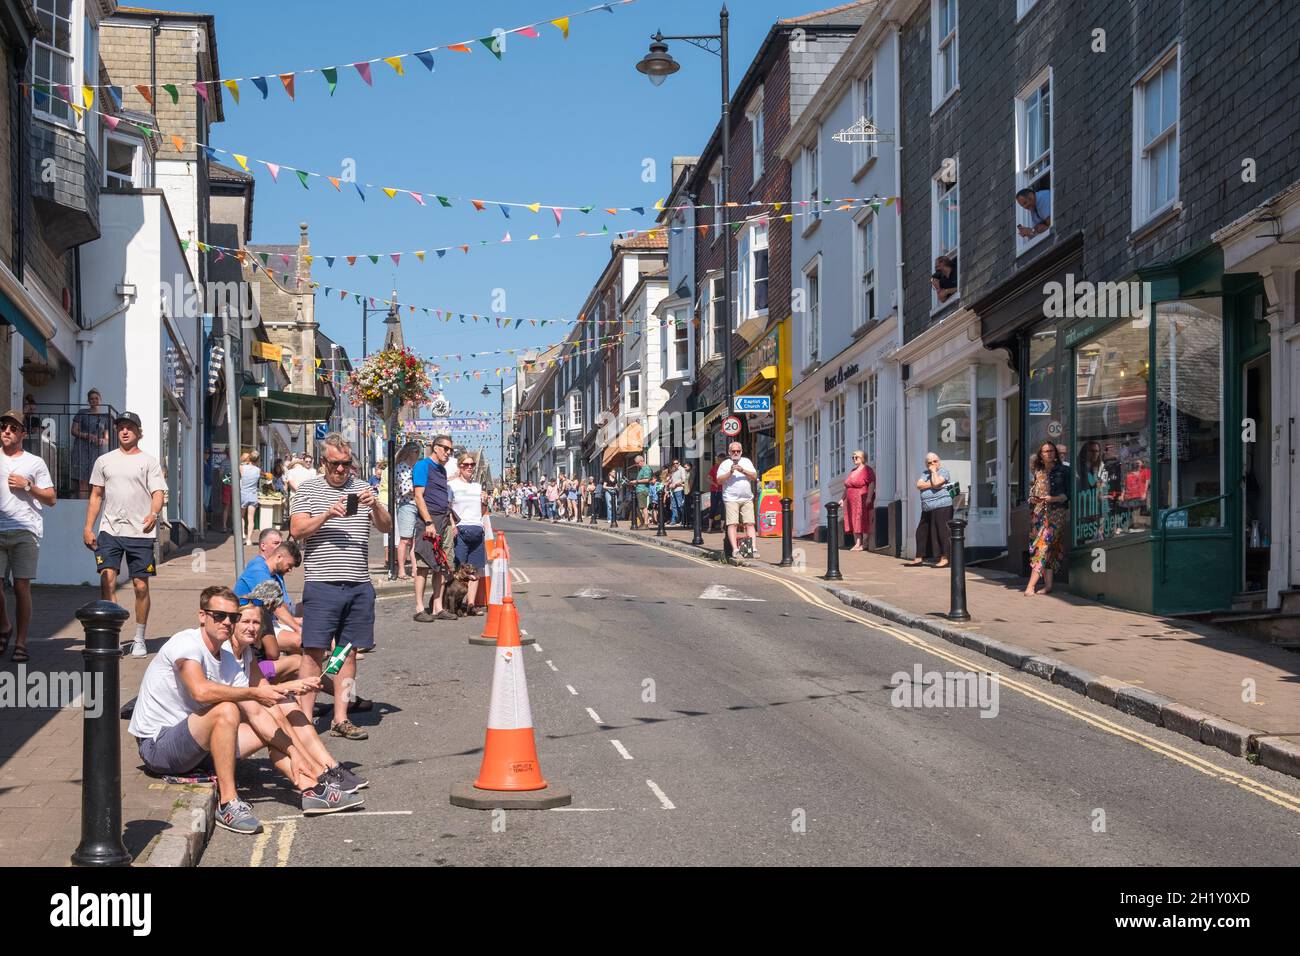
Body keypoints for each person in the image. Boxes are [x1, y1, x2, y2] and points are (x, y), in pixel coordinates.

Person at [127, 586, 363, 834]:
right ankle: (228, 804)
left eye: (232, 617)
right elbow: (201, 692)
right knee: (227, 709)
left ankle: (310, 787)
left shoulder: (228, 658)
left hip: (196, 746)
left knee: (269, 721)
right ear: (202, 615)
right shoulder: (186, 644)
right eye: (219, 615)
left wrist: (296, 755)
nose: (227, 622)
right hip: (159, 746)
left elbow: (258, 711)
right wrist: (256, 692)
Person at [289, 432, 392, 740]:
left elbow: (386, 526)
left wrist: (375, 505)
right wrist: (327, 513)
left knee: (347, 653)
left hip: (359, 583)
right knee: (313, 653)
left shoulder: (362, 489)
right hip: (322, 584)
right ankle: (304, 720)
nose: (341, 470)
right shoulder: (308, 490)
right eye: (335, 464)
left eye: (346, 464)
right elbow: (296, 530)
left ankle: (340, 718)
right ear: (324, 462)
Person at [83, 411, 166, 658]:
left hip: (140, 532)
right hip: (110, 530)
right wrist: (88, 527)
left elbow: (158, 493)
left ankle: (139, 638)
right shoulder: (104, 460)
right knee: (107, 578)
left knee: (140, 586)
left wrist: (153, 514)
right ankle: (113, 636)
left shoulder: (149, 461)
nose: (125, 431)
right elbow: (96, 495)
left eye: (130, 427)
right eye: (121, 427)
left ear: (139, 432)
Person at [0, 409, 55, 664]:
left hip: (25, 529)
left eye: (12, 428)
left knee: (22, 587)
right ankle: (5, 625)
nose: (6, 431)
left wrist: (28, 486)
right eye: (3, 427)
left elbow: (51, 499)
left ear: (22, 433)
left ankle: (20, 642)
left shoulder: (34, 463)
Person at [411, 435, 458, 623]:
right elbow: (418, 496)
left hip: (444, 519)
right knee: (423, 566)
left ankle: (438, 607)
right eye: (445, 448)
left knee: (441, 566)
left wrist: (451, 522)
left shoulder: (442, 470)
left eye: (450, 450)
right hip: (428, 521)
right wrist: (428, 522)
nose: (448, 453)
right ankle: (420, 608)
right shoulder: (423, 466)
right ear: (435, 447)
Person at [235, 536, 303, 648]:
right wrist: (298, 628)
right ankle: (267, 664)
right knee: (300, 640)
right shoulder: (258, 571)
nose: (290, 570)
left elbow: (281, 606)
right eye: (289, 565)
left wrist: (295, 622)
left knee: (305, 650)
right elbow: (278, 608)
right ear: (279, 557)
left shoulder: (272, 574)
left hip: (264, 621)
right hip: (245, 624)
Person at [1025, 442, 1069, 596]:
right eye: (1046, 451)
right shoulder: (1038, 472)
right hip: (1039, 515)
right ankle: (1048, 585)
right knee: (1049, 549)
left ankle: (1030, 585)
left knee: (1043, 547)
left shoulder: (1063, 471)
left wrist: (1052, 498)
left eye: (1052, 451)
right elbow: (1033, 494)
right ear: (1041, 455)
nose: (1049, 453)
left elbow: (1067, 495)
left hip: (1056, 514)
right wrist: (1034, 499)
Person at [449, 452, 487, 614]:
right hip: (461, 530)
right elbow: (448, 507)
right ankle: (455, 605)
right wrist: (452, 525)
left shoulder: (477, 486)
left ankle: (471, 605)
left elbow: (483, 510)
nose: (469, 467)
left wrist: (485, 502)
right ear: (460, 467)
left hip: (477, 530)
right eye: (466, 465)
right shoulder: (452, 485)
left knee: (475, 570)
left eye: (472, 465)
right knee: (458, 569)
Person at [904, 453, 953, 568]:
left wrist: (934, 472)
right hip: (927, 507)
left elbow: (936, 482)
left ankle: (945, 558)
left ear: (939, 461)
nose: (932, 464)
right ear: (926, 464)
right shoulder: (924, 473)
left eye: (934, 461)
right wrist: (933, 485)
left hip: (942, 506)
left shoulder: (943, 472)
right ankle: (919, 558)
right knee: (921, 532)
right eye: (929, 463)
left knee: (942, 532)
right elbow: (919, 485)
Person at [716, 442, 758, 563]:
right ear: (729, 452)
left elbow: (754, 476)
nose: (735, 453)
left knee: (749, 523)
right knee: (732, 524)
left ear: (741, 451)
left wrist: (743, 470)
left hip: (746, 498)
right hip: (731, 499)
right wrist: (730, 472)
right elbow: (718, 480)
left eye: (738, 451)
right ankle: (735, 550)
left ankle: (752, 549)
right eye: (733, 451)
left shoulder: (746, 462)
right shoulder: (725, 464)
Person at [71, 388, 111, 497]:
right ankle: (81, 506)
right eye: (91, 399)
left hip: (97, 450)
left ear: (100, 400)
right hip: (82, 448)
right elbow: (74, 430)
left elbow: (107, 437)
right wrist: (87, 435)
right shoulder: (82, 413)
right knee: (83, 479)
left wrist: (102, 440)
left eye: (96, 398)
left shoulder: (104, 417)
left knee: (95, 480)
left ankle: (93, 504)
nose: (94, 400)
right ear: (88, 401)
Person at [393, 443, 421, 580]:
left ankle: (415, 569)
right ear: (410, 452)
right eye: (416, 452)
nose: (418, 454)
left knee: (414, 540)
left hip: (417, 503)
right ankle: (401, 570)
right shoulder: (402, 467)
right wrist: (421, 489)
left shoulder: (415, 468)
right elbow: (405, 489)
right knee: (405, 539)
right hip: (406, 504)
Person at [842, 450, 876, 552]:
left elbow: (871, 484)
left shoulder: (867, 470)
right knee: (853, 520)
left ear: (862, 458)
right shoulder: (852, 471)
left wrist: (869, 497)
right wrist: (841, 499)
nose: (854, 459)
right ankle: (857, 542)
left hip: (862, 499)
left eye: (856, 457)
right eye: (853, 457)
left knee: (862, 519)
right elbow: (847, 487)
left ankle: (864, 543)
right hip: (850, 501)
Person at [239, 451, 261, 546]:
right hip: (253, 494)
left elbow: (239, 465)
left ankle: (243, 534)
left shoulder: (242, 468)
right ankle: (249, 539)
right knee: (251, 518)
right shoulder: (258, 470)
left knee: (241, 516)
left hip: (243, 493)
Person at [632, 455, 653, 528]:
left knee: (643, 507)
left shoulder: (646, 468)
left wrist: (636, 481)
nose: (637, 465)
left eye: (637, 463)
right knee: (638, 508)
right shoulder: (642, 469)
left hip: (643, 490)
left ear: (641, 461)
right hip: (639, 490)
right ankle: (642, 522)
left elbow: (647, 480)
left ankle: (646, 523)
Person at [669, 459, 687, 527]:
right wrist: (669, 483)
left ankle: (683, 520)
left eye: (676, 463)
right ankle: (674, 520)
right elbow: (672, 479)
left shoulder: (681, 469)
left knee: (680, 505)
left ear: (679, 463)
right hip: (673, 490)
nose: (675, 464)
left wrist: (676, 484)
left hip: (679, 489)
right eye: (674, 463)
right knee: (673, 506)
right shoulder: (674, 470)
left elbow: (683, 479)